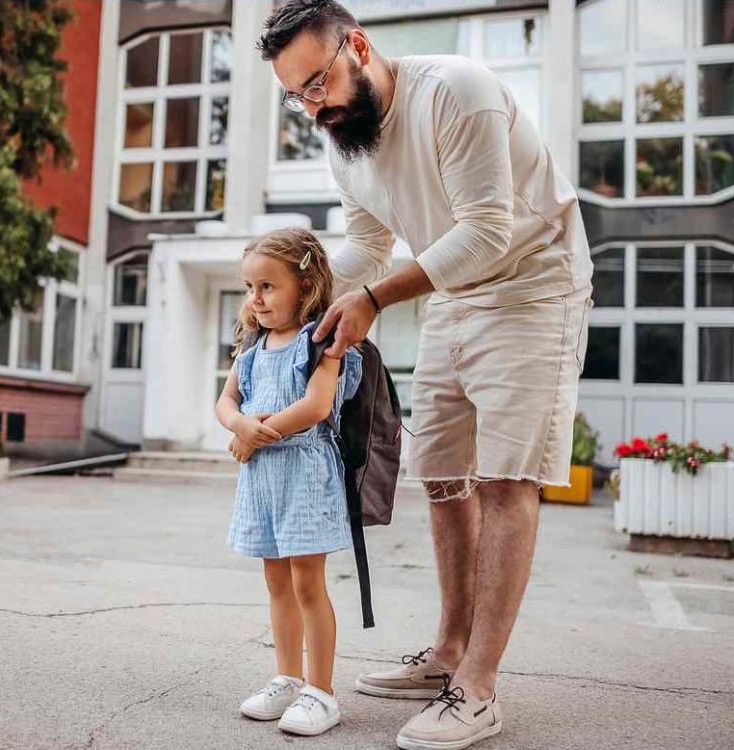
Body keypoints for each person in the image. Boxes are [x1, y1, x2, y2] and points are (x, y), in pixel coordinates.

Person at [258, 2, 594, 749]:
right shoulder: (345, 141)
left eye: (319, 82)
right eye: (298, 95)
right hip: (452, 289)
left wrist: (373, 301)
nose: (315, 107)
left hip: (534, 285)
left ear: (360, 46)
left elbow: (486, 230)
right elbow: (368, 245)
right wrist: (289, 308)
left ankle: (478, 689)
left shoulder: (456, 91)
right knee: (443, 473)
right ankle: (448, 652)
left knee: (506, 479)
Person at [215, 227, 363, 738]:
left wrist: (258, 435)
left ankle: (321, 692)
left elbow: (318, 406)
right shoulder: (253, 346)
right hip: (262, 479)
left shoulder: (320, 341)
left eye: (267, 286)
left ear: (305, 284)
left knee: (307, 582)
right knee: (276, 581)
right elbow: (225, 402)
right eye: (249, 287)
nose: (255, 298)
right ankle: (287, 676)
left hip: (303, 472)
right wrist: (240, 426)